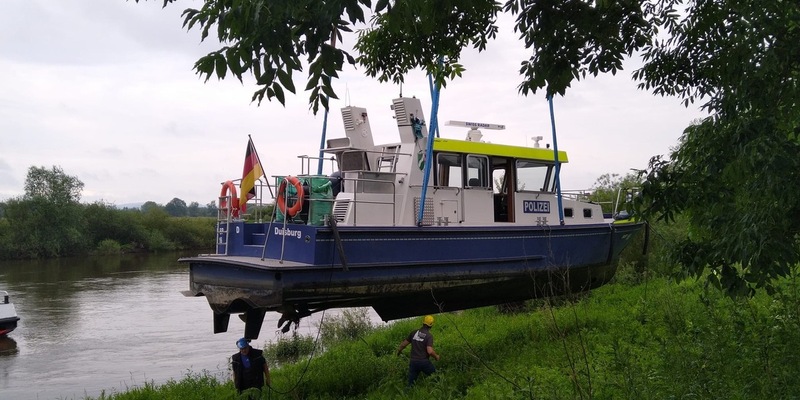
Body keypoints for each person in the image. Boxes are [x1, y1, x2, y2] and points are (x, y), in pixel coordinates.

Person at [396, 315, 440, 387]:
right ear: (431, 325)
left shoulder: (413, 332)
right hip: (424, 362)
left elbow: (403, 345)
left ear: (423, 323)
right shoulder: (429, 336)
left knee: (411, 384)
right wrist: (436, 357)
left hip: (413, 362)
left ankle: (406, 395)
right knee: (437, 378)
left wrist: (398, 352)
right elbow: (430, 351)